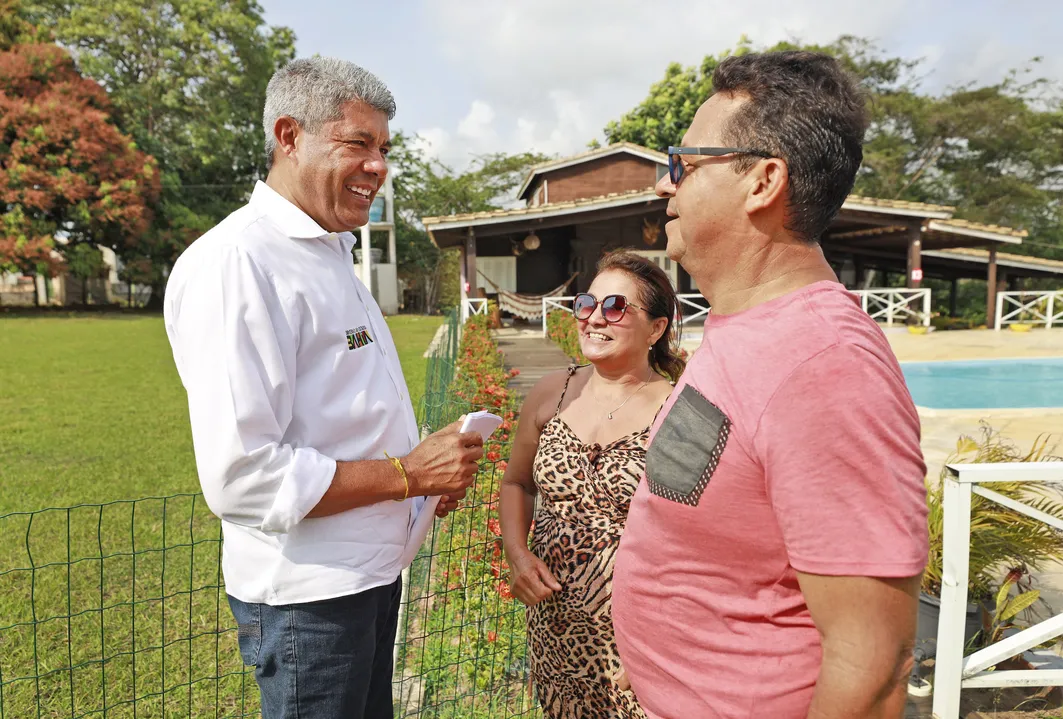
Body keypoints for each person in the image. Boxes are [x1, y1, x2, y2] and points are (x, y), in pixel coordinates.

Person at [163, 57, 484, 719]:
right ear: (288, 135)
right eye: (357, 144)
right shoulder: (238, 264)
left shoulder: (326, 249)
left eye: (384, 148)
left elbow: (339, 416)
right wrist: (406, 474)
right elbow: (242, 475)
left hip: (366, 578)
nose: (378, 166)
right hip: (307, 600)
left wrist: (419, 485)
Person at [612, 51, 929, 719]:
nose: (665, 187)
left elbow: (872, 667)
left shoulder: (821, 364)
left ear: (762, 181)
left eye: (683, 165)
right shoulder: (746, 330)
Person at [499, 250, 685, 719]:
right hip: (554, 626)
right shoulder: (553, 392)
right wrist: (518, 555)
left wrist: (663, 640)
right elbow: (517, 483)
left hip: (638, 633)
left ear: (656, 328)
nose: (594, 318)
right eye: (587, 304)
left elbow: (696, 537)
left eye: (616, 307)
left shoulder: (678, 409)